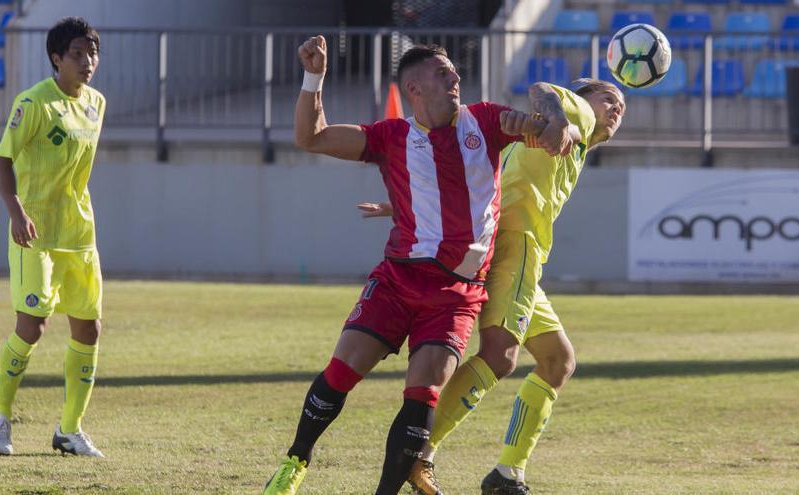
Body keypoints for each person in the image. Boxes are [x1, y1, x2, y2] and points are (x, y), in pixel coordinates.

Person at [262, 35, 574, 495]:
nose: (456, 78)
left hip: (456, 293)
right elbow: (310, 137)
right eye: (443, 73)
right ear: (414, 89)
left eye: (455, 72)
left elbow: (549, 125)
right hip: (399, 279)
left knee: (424, 391)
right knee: (343, 371)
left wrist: (553, 125)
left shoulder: (485, 120)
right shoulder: (391, 137)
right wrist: (315, 77)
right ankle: (296, 460)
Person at [359, 78, 626, 495]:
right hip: (515, 245)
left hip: (515, 251)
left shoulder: (567, 142)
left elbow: (483, 175)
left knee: (558, 360)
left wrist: (406, 203)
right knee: (500, 355)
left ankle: (507, 473)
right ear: (583, 98)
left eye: (623, 105)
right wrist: (559, 116)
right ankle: (419, 453)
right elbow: (543, 90)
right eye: (608, 98)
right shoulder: (576, 111)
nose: (616, 109)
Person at [0, 17, 106, 458]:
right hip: (33, 235)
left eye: (93, 52)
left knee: (89, 330)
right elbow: (2, 161)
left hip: (80, 235)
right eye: (78, 53)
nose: (88, 61)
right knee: (32, 327)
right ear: (57, 58)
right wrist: (16, 212)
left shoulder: (96, 103)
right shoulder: (33, 103)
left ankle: (69, 430)